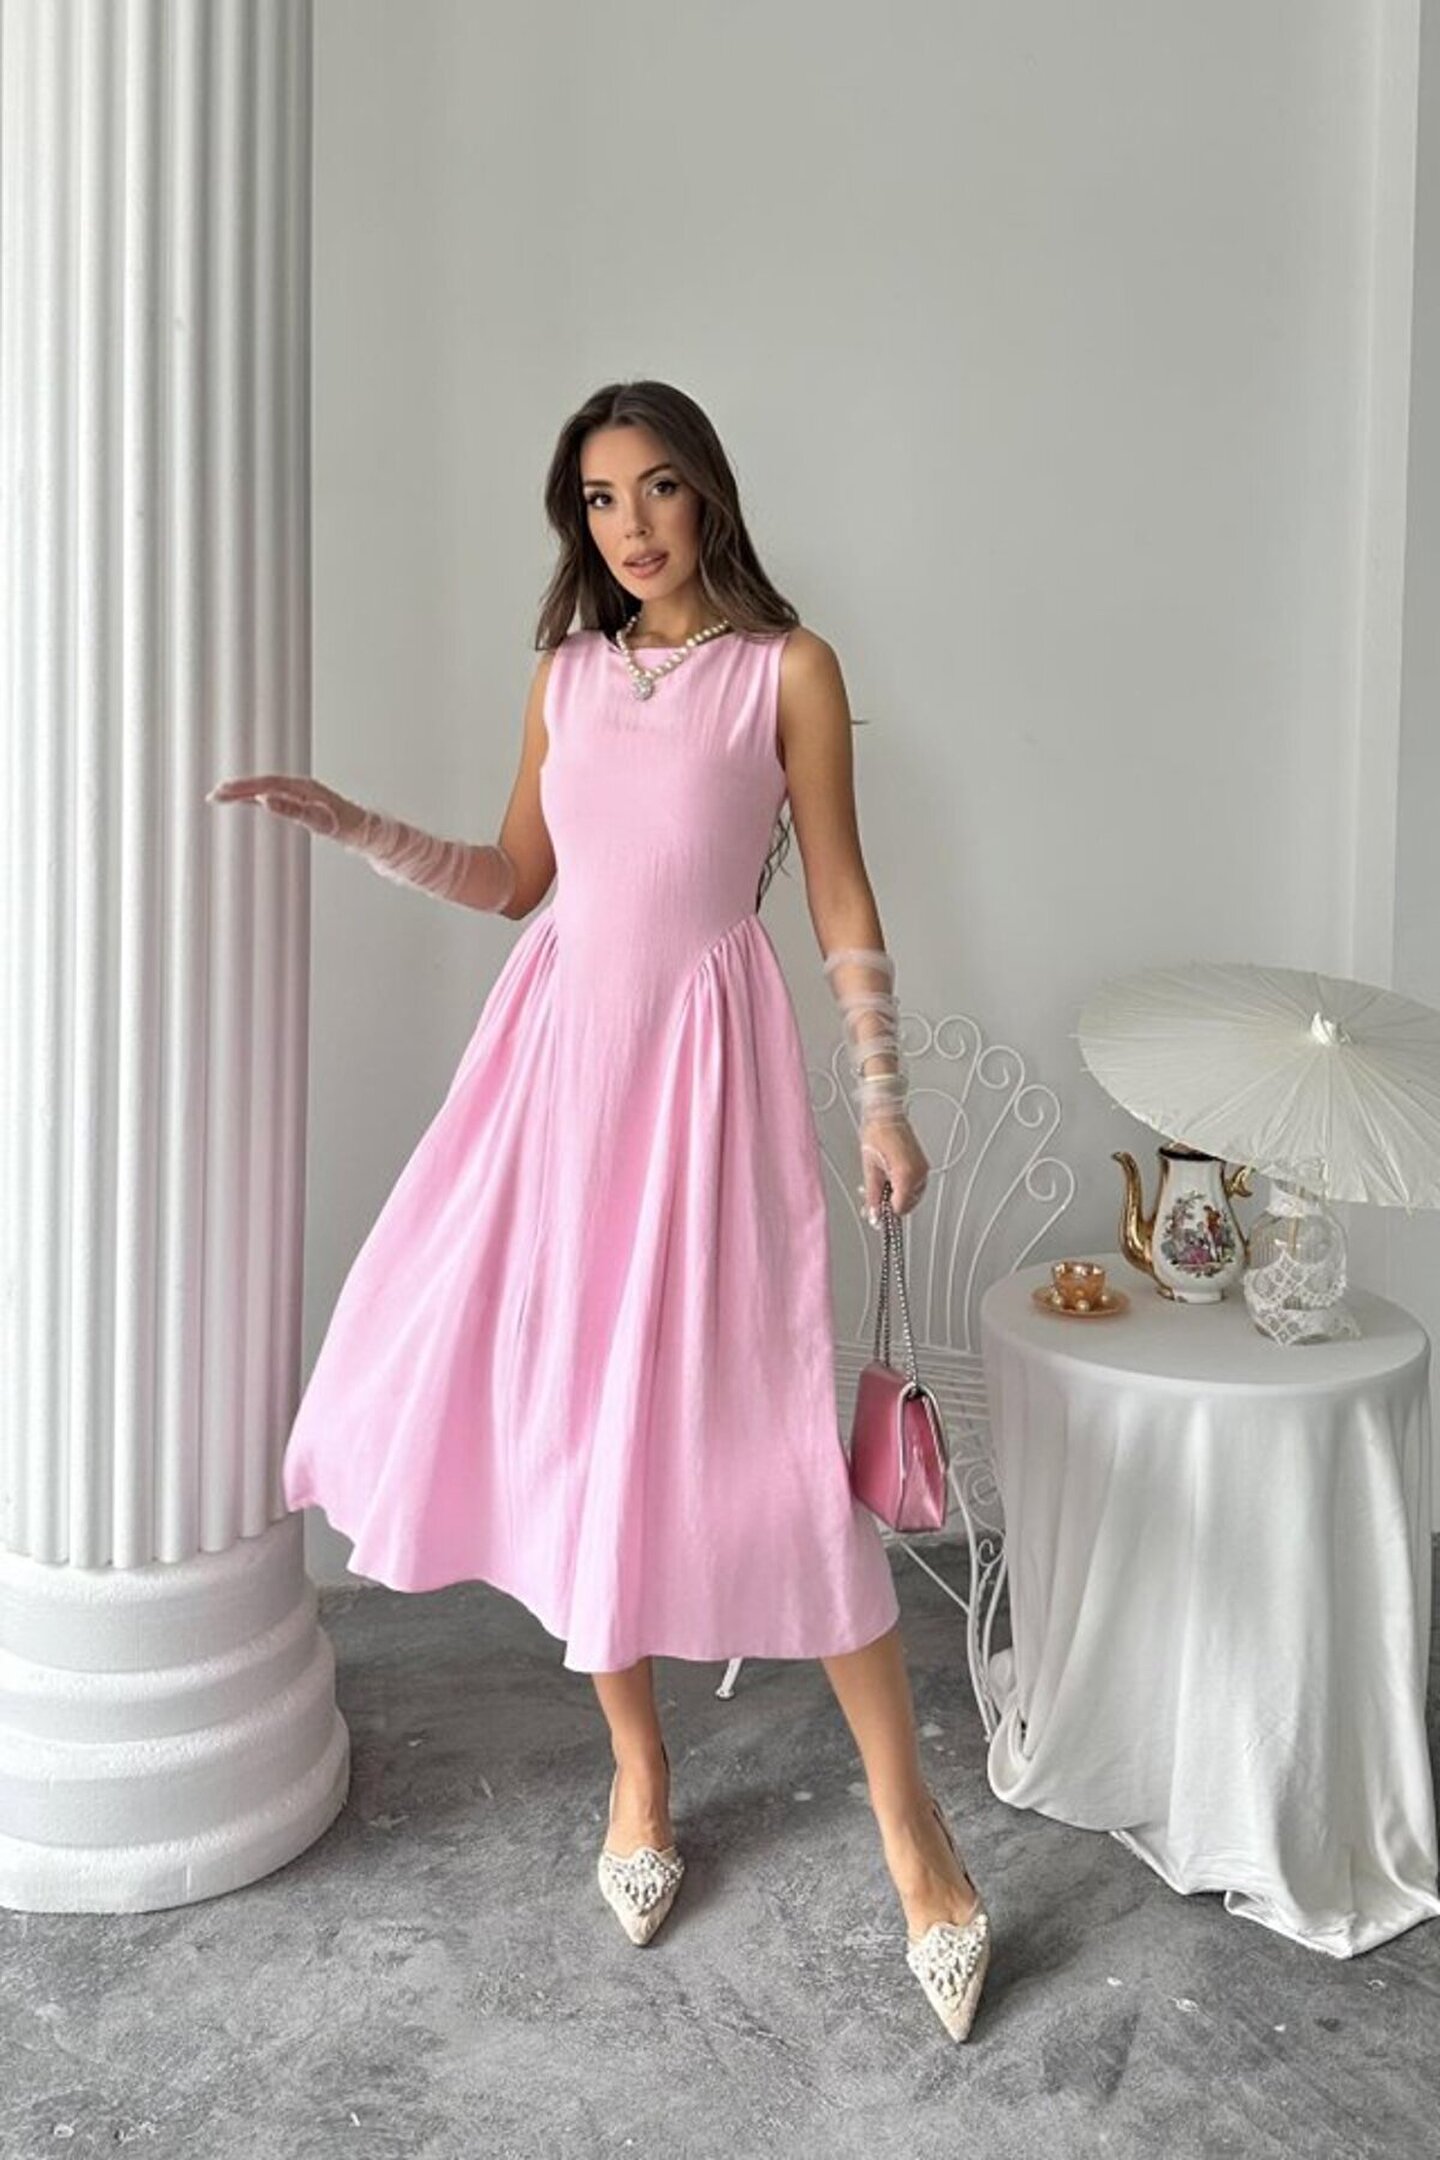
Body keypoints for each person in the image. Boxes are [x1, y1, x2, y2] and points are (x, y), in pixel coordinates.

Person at [207, 379, 990, 2041]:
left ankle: (914, 1830)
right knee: (580, 1430)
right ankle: (639, 1776)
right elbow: (517, 883)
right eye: (599, 498)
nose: (630, 525)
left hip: (708, 1085)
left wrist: (881, 1094)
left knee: (775, 1450)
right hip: (556, 1075)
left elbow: (841, 891)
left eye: (657, 488)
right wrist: (354, 826)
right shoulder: (565, 675)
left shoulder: (786, 670)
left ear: (709, 495)